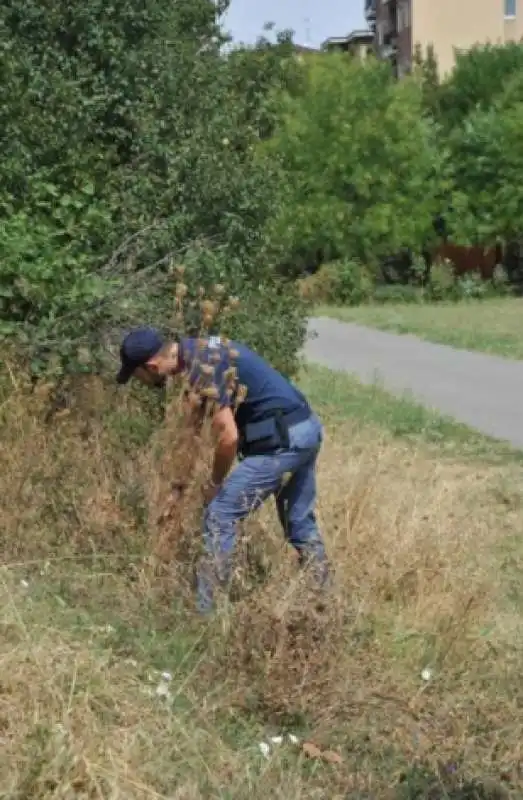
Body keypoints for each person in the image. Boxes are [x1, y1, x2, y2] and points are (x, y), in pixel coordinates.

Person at [116, 326, 330, 612]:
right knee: (298, 523)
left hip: (282, 442)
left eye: (137, 375)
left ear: (151, 366)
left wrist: (216, 483)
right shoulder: (199, 351)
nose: (139, 382)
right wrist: (178, 488)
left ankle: (207, 616)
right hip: (304, 429)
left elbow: (228, 437)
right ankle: (327, 601)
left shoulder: (202, 368)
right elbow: (192, 433)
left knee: (220, 514)